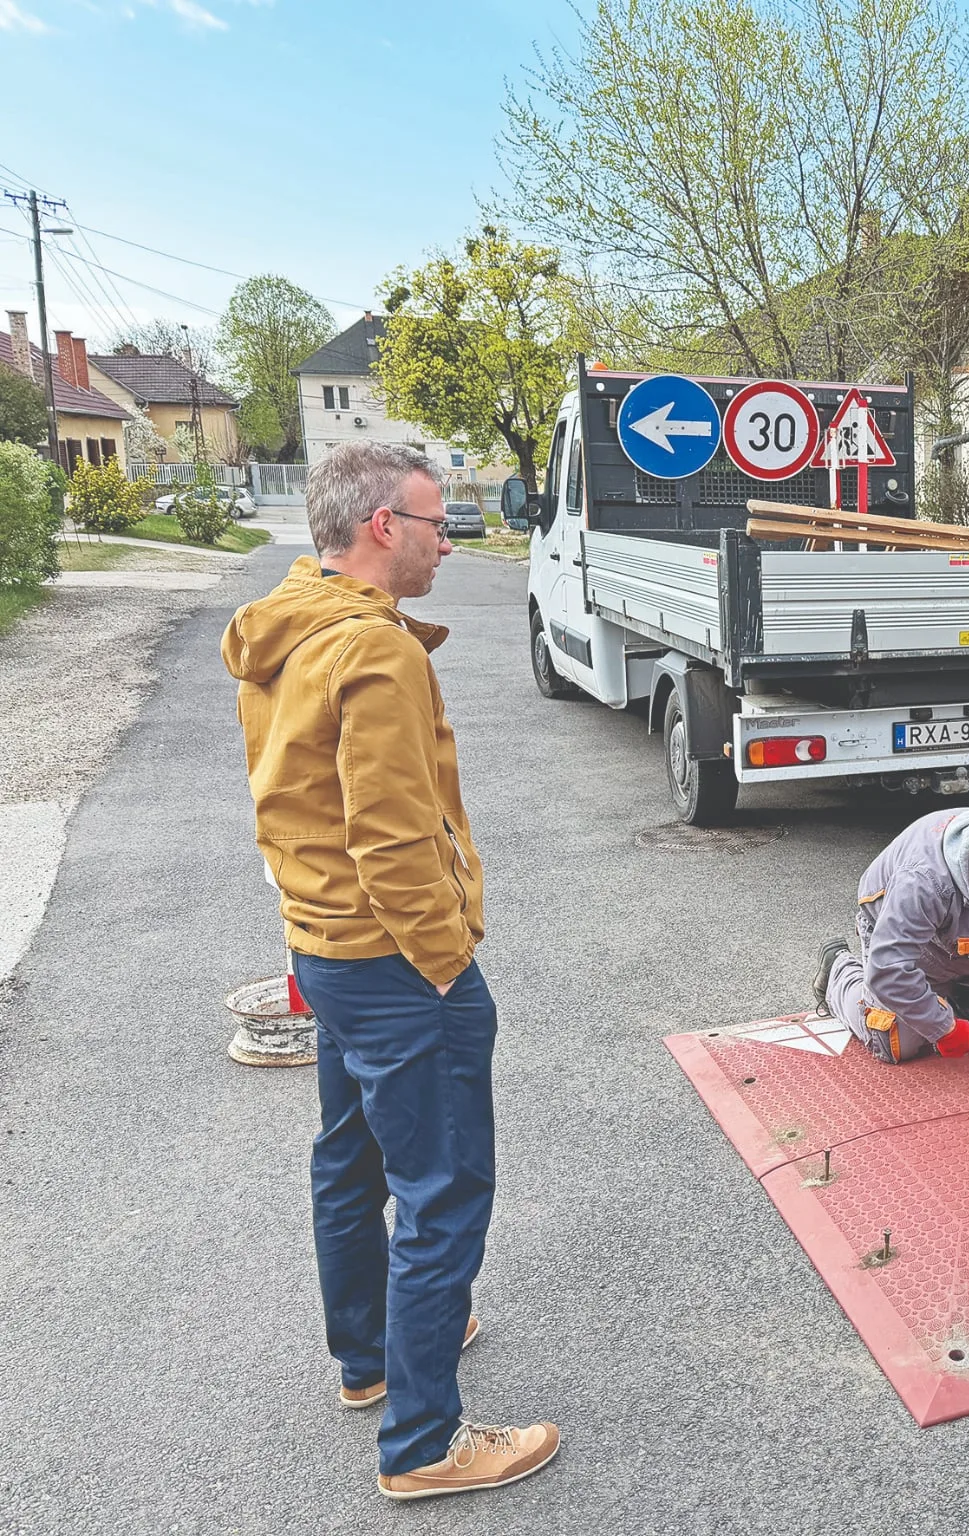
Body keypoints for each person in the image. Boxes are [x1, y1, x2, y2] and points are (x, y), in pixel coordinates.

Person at [222, 441, 558, 1502]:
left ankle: (370, 1362)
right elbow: (394, 838)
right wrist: (449, 966)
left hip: (319, 947)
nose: (446, 540)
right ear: (379, 528)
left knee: (351, 1160)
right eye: (432, 522)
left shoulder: (289, 619)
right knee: (444, 1188)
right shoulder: (373, 653)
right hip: (394, 962)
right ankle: (423, 1442)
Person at [814, 808, 969, 1064]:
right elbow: (889, 968)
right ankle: (838, 973)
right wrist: (942, 1027)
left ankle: (955, 997)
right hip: (919, 947)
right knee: (895, 1039)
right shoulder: (923, 881)